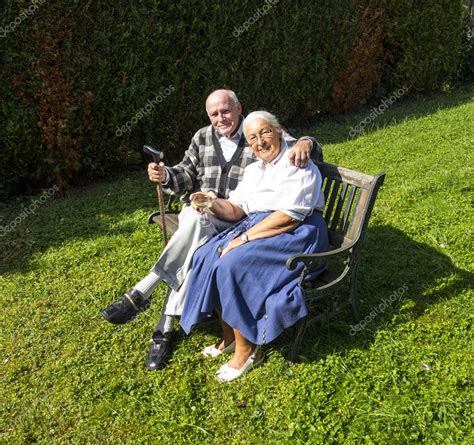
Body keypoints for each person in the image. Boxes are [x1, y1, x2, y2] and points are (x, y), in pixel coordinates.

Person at [102, 90, 323, 370]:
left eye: (226, 111)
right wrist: (168, 177)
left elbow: (298, 148)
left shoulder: (261, 134)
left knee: (219, 254)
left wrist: (308, 141)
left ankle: (153, 308)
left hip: (260, 223)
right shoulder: (206, 139)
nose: (221, 118)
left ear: (238, 108)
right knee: (202, 248)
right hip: (224, 210)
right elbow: (185, 173)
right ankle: (217, 332)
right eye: (214, 114)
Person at [180, 111, 329, 382]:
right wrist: (212, 202)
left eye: (265, 133)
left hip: (297, 232)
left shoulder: (298, 161)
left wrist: (244, 239)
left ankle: (248, 348)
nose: (260, 141)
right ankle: (228, 336)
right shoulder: (254, 171)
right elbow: (237, 209)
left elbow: (289, 216)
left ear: (279, 131)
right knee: (206, 254)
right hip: (262, 224)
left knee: (231, 263)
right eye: (252, 138)